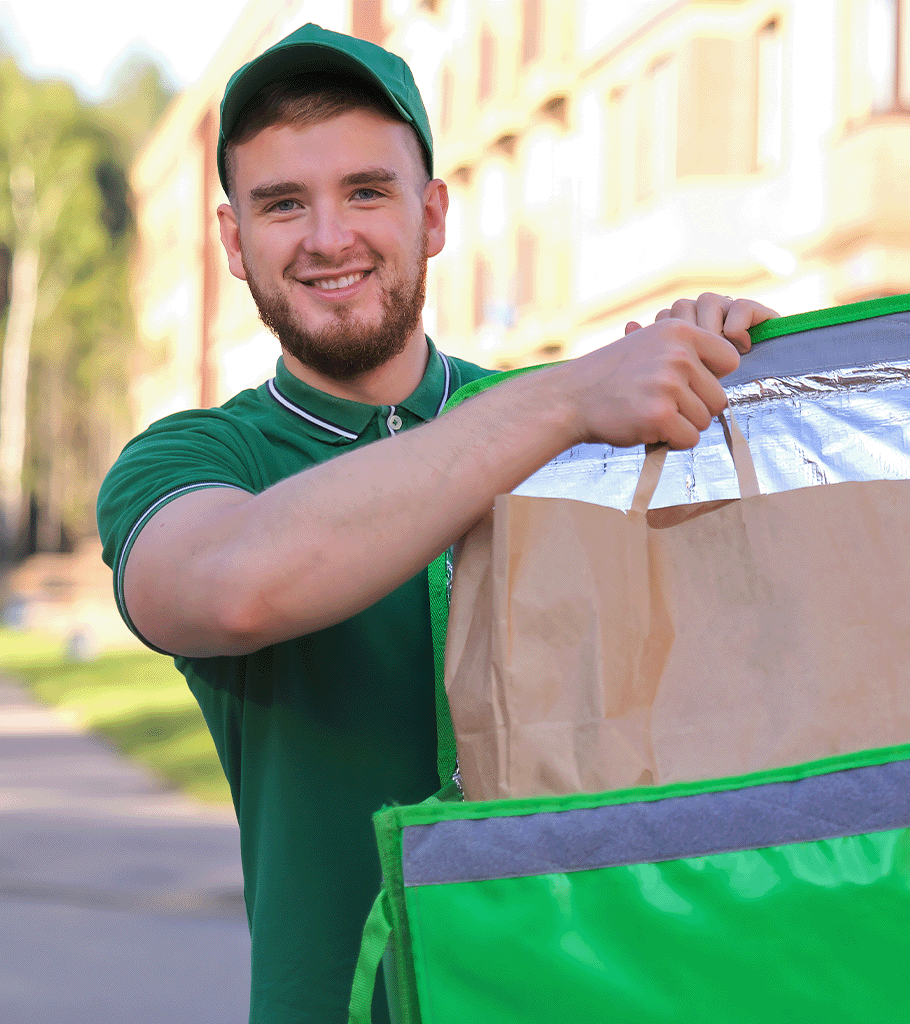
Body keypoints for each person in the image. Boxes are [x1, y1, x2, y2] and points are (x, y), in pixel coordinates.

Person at [97, 22, 778, 1024]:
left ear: (433, 215)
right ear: (234, 243)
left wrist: (739, 383)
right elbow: (230, 585)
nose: (329, 237)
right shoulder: (194, 459)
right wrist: (566, 397)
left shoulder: (585, 426)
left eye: (367, 191)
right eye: (283, 203)